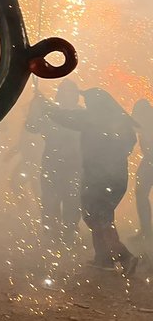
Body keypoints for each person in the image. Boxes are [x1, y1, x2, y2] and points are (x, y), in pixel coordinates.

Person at [47, 86, 140, 276]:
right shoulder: (119, 119)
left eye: (88, 101)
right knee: (99, 215)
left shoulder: (93, 117)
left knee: (98, 218)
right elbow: (130, 143)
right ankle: (103, 259)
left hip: (98, 178)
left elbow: (66, 118)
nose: (86, 104)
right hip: (116, 177)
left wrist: (47, 108)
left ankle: (125, 257)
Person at [27, 81, 83, 245]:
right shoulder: (49, 112)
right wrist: (35, 108)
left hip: (74, 164)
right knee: (50, 198)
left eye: (71, 92)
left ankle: (70, 231)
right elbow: (32, 127)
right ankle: (52, 232)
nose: (67, 95)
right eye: (64, 92)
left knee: (72, 199)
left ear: (76, 95)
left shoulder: (81, 113)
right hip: (52, 162)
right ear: (59, 94)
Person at [133, 99, 153, 245]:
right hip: (148, 161)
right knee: (140, 193)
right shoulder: (141, 123)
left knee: (141, 194)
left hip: (150, 161)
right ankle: (146, 231)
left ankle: (146, 231)